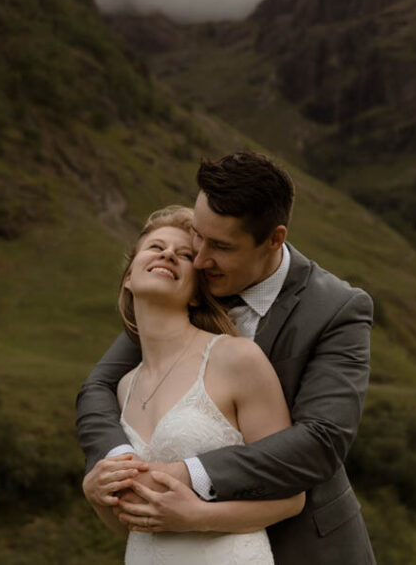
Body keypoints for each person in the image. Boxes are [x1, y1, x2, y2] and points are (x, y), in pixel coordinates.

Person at [77, 151, 375, 565]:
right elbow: (98, 387)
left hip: (307, 544)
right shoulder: (183, 295)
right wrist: (112, 466)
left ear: (275, 239)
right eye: (198, 235)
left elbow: (322, 440)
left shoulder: (337, 309)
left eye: (219, 246)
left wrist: (189, 474)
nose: (198, 258)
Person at [92, 204, 303, 563]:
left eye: (185, 255)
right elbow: (132, 523)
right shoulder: (123, 387)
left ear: (195, 292)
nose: (169, 254)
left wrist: (198, 517)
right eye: (156, 247)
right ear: (129, 277)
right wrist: (97, 496)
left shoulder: (237, 359)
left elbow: (291, 496)